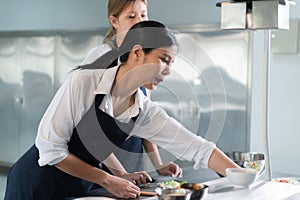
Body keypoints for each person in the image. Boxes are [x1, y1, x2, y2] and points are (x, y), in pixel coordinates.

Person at [5, 20, 240, 200]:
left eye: (172, 64)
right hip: (36, 184)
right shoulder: (84, 82)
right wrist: (107, 179)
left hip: (79, 188)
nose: (168, 71)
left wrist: (242, 176)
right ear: (137, 52)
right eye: (164, 59)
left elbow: (197, 147)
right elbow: (50, 149)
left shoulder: (142, 110)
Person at [82, 0, 182, 178]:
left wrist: (157, 163)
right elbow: (90, 128)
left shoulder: (146, 58)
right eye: (131, 16)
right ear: (114, 21)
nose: (139, 21)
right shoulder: (100, 58)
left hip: (131, 157)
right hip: (103, 160)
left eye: (143, 15)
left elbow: (144, 115)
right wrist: (119, 174)